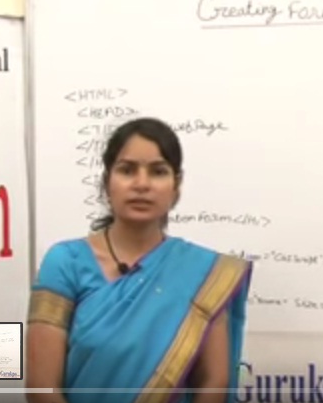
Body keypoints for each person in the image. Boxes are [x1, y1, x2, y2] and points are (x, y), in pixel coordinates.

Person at [26, 117, 253, 403]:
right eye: (127, 170)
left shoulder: (204, 275)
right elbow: (41, 388)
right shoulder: (65, 262)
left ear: (176, 186)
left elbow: (213, 382)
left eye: (158, 172)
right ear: (107, 182)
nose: (142, 184)